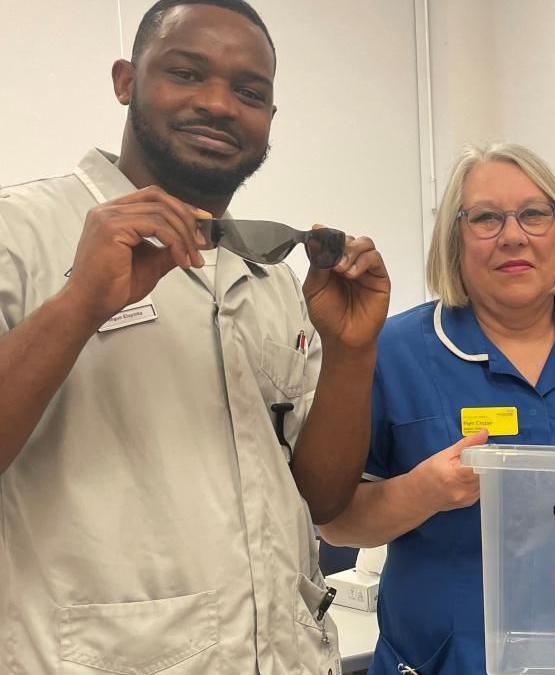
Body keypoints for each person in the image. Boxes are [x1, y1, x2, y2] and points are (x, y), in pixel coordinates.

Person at [0, 1, 390, 672]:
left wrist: (351, 352)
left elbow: (322, 501)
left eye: (250, 92)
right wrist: (79, 304)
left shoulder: (265, 274)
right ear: (126, 81)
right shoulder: (21, 235)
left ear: (270, 120)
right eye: (186, 73)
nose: (218, 104)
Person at [317, 143, 555, 674]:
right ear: (454, 239)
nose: (514, 235)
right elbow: (338, 523)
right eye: (486, 217)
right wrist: (423, 492)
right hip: (450, 660)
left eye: (534, 214)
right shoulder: (394, 352)